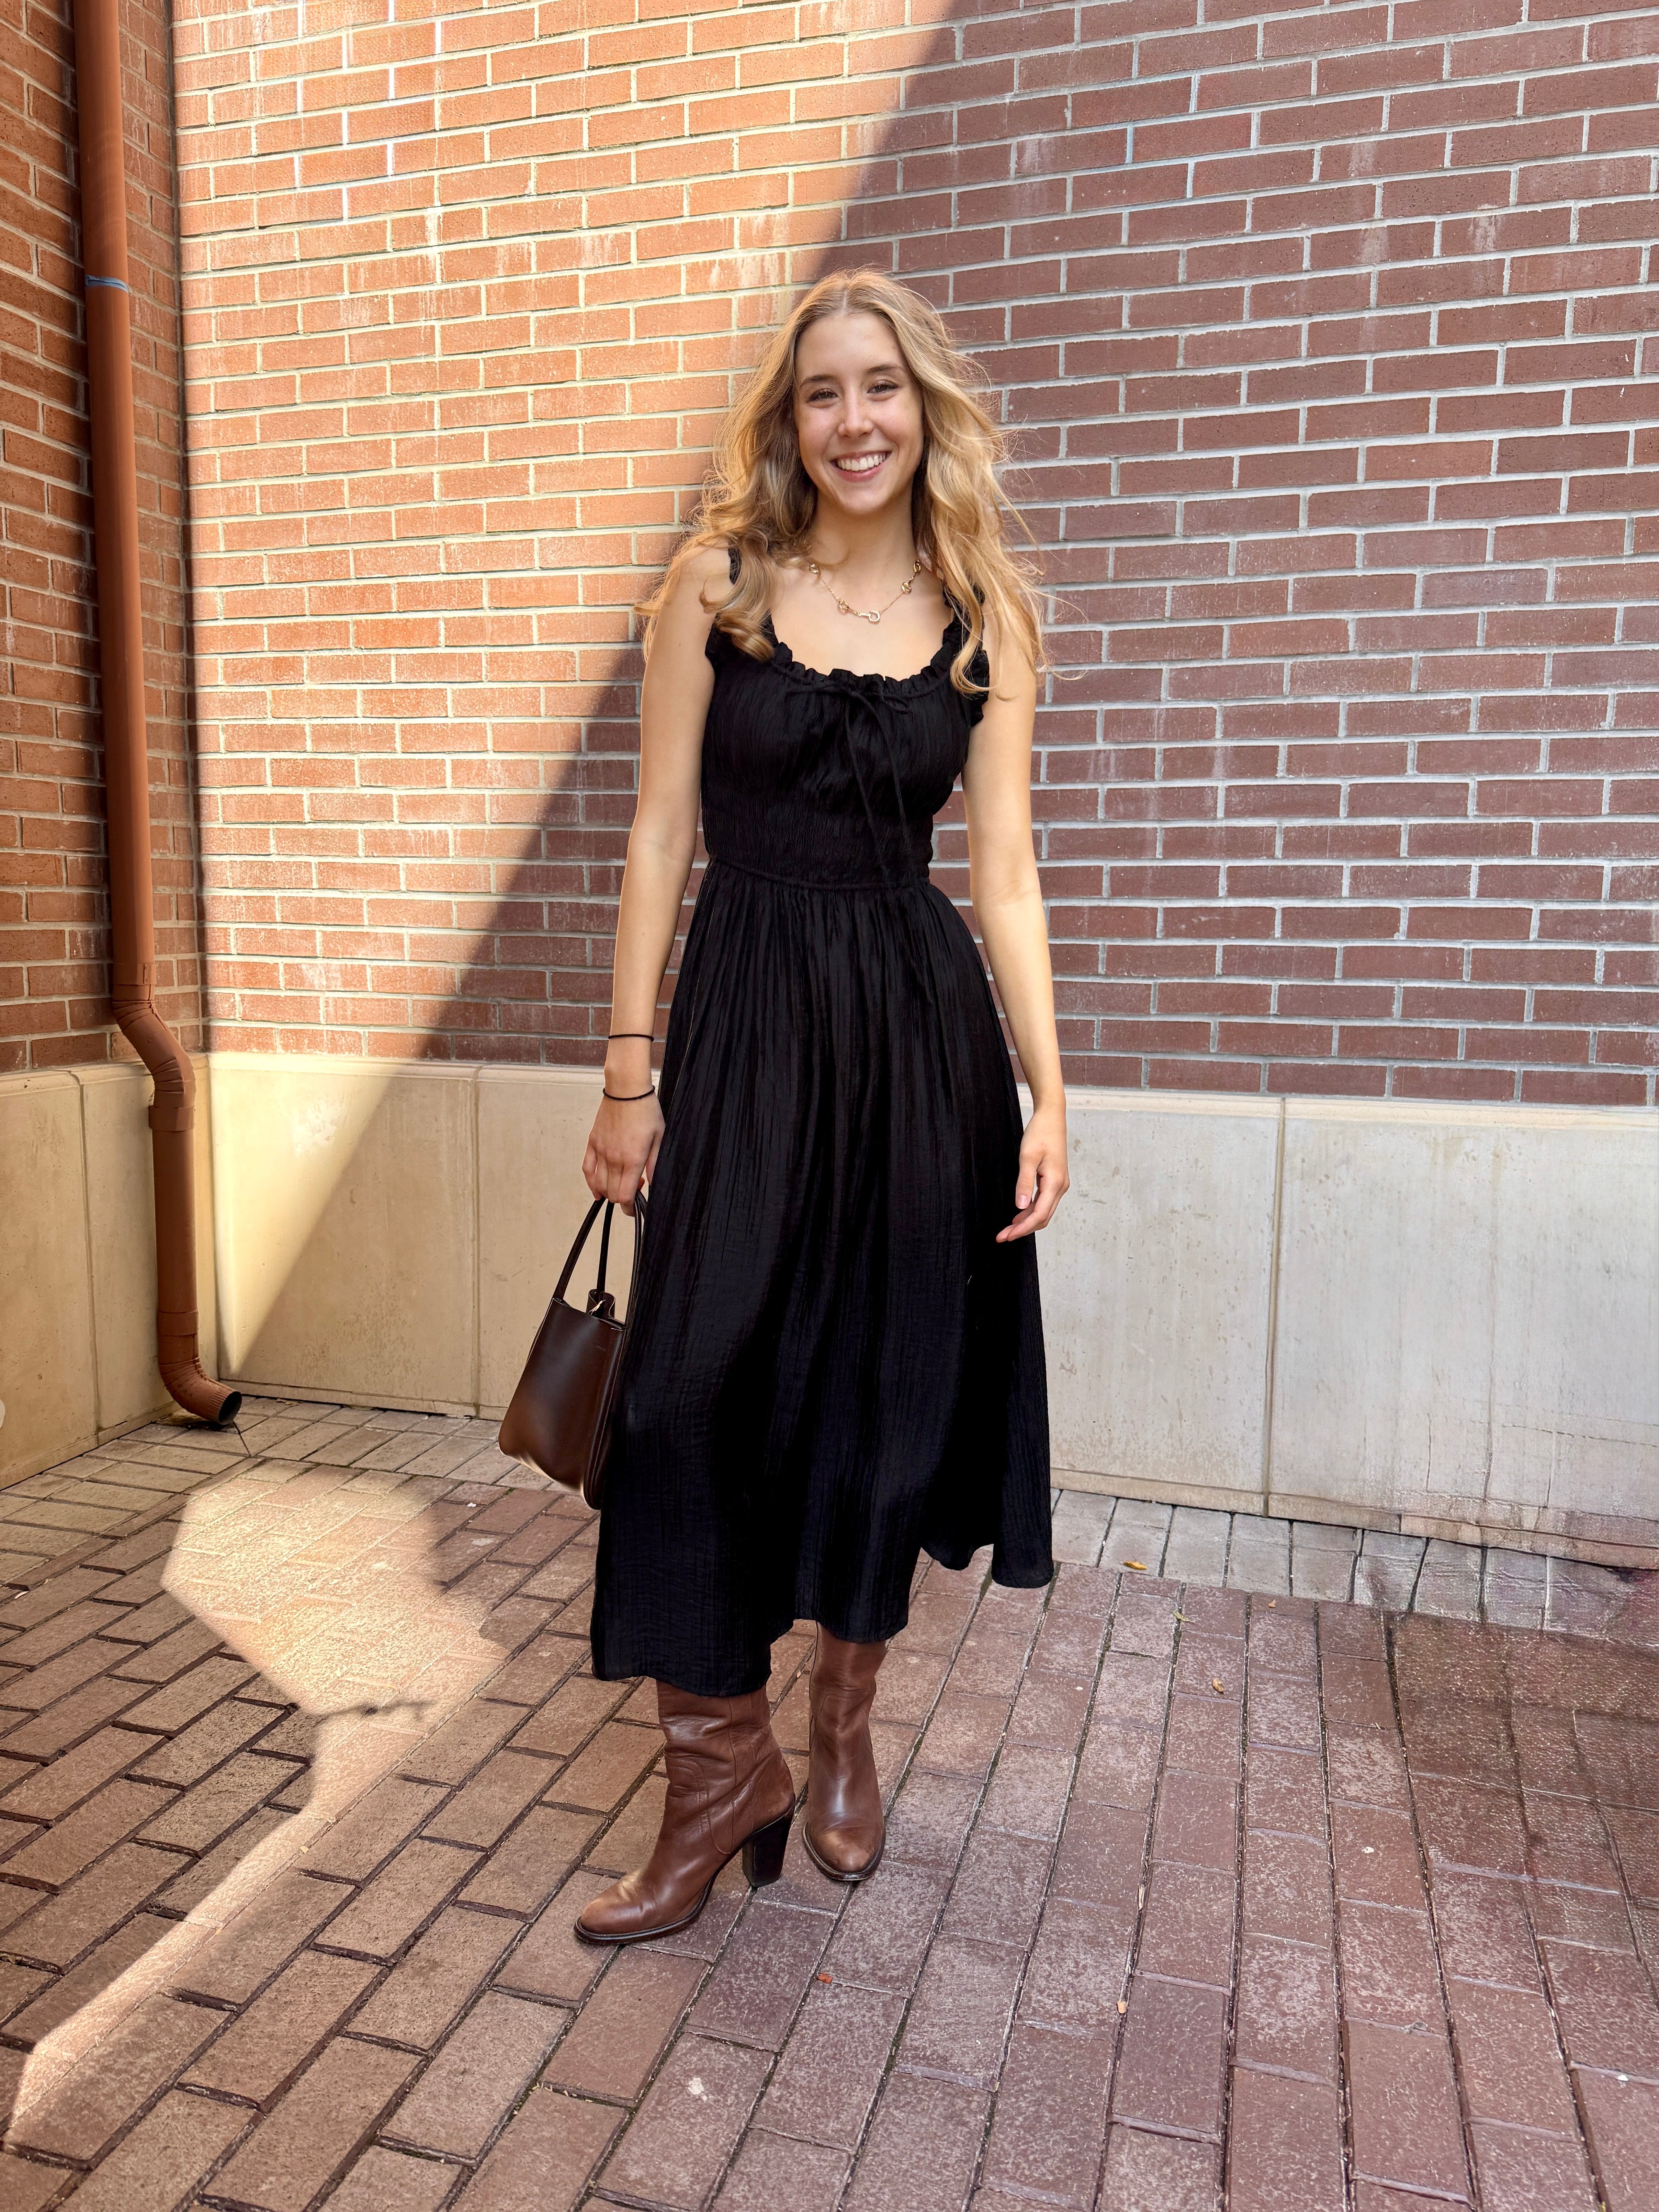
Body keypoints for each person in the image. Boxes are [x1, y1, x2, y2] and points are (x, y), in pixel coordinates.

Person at [574, 270, 1068, 1945]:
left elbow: (1001, 873)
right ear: (788, 423)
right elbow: (656, 833)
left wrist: (1047, 1089)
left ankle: (842, 1728)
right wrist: (629, 1069)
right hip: (744, 1021)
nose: (854, 421)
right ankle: (724, 1767)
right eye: (821, 393)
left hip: (920, 1041)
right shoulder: (715, 585)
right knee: (680, 1395)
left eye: (882, 389)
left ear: (924, 410)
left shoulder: (984, 614)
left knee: (886, 1397)